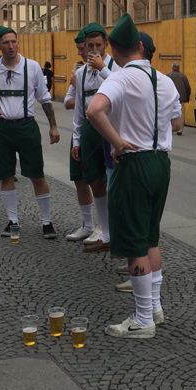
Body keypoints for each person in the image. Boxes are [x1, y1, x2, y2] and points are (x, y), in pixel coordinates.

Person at [87, 13, 183, 339]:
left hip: (134, 165)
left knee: (134, 243)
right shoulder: (165, 80)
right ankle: (155, 307)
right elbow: (176, 123)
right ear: (141, 47)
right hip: (161, 163)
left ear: (113, 50)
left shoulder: (121, 77)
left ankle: (143, 320)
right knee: (150, 237)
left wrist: (117, 142)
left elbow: (94, 110)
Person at [0, 27, 61, 239]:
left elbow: (44, 98)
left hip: (26, 127)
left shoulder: (32, 67)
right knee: (5, 175)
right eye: (6, 42)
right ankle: (13, 222)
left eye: (14, 41)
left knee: (37, 175)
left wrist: (53, 126)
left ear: (18, 42)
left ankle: (47, 222)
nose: (11, 46)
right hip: (2, 129)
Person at [66, 23, 115, 253]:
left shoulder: (115, 67)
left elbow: (123, 89)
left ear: (106, 45)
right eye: (90, 46)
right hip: (89, 130)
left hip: (112, 127)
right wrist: (77, 140)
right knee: (94, 180)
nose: (94, 50)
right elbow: (78, 111)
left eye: (98, 45)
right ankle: (104, 233)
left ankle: (113, 230)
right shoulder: (81, 73)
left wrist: (103, 69)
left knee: (113, 181)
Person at [63, 30, 98, 243]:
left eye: (82, 48)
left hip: (100, 130)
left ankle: (104, 227)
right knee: (78, 177)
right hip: (82, 128)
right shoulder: (80, 72)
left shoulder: (108, 69)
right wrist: (82, 96)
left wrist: (89, 100)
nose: (81, 53)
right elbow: (67, 102)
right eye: (80, 48)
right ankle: (87, 224)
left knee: (99, 180)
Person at [167, 62, 191, 136]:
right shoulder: (183, 76)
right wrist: (187, 97)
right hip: (181, 98)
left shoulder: (168, 75)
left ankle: (170, 128)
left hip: (170, 98)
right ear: (179, 68)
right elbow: (188, 87)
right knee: (181, 113)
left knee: (168, 112)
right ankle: (180, 129)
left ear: (172, 68)